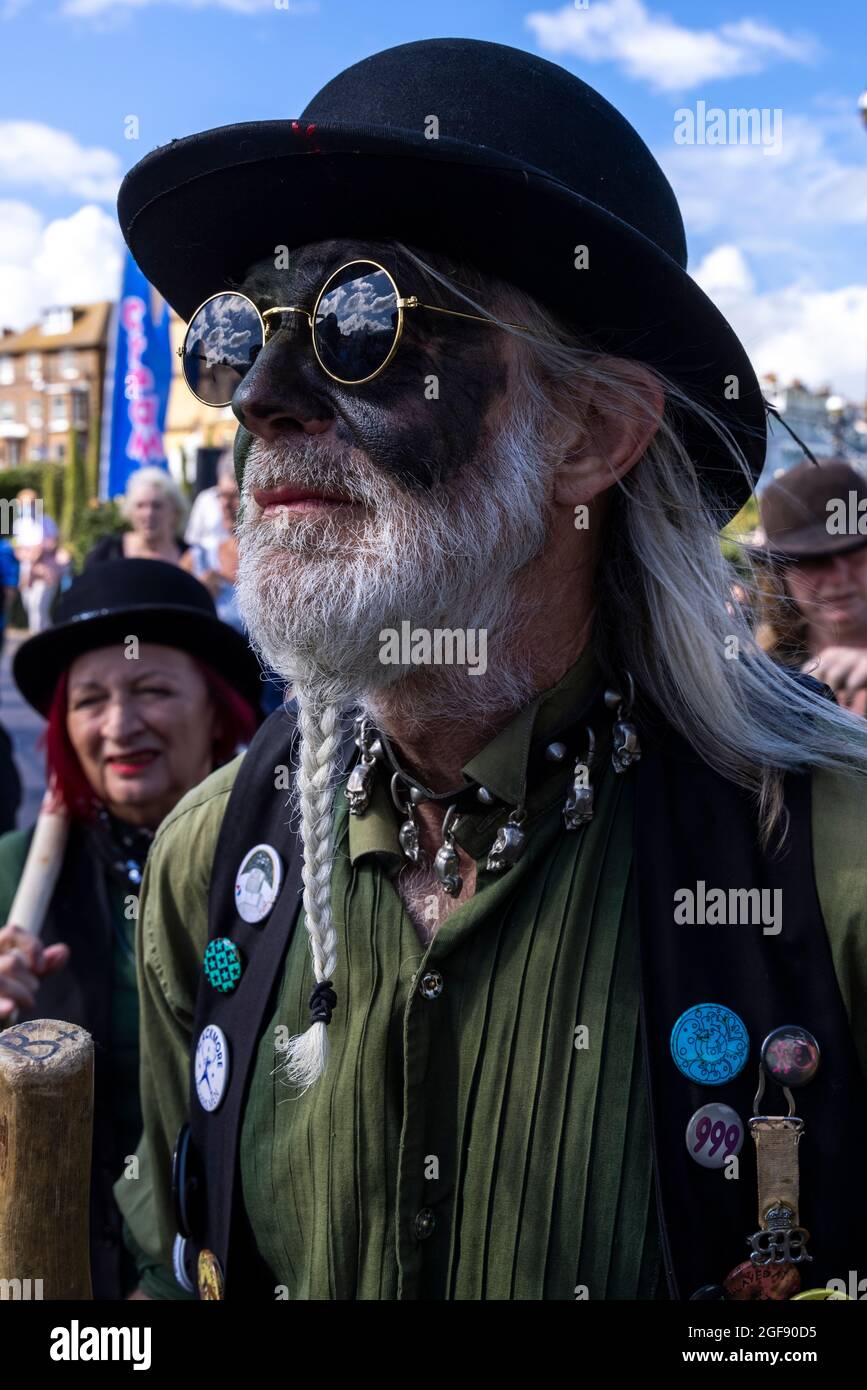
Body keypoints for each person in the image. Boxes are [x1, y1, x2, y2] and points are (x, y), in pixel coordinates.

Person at [115, 38, 867, 1303]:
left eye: (366, 321)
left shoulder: (827, 870)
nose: (261, 400)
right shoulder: (212, 863)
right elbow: (155, 1266)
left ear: (591, 434)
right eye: (245, 331)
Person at [0, 559, 260, 1299]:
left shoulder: (287, 877)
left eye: (151, 690)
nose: (119, 725)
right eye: (89, 700)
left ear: (218, 712)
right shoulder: (15, 875)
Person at [754, 460, 867, 716]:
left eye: (854, 554)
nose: (839, 576)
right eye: (815, 561)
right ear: (781, 575)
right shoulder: (762, 681)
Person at [181, 452, 242, 631]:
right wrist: (197, 595)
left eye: (235, 496)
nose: (225, 504)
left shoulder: (279, 560)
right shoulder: (198, 559)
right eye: (221, 495)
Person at [86, 466, 191, 568]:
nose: (149, 514)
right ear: (130, 511)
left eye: (157, 506)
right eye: (140, 506)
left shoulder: (191, 557)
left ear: (175, 511)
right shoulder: (109, 552)